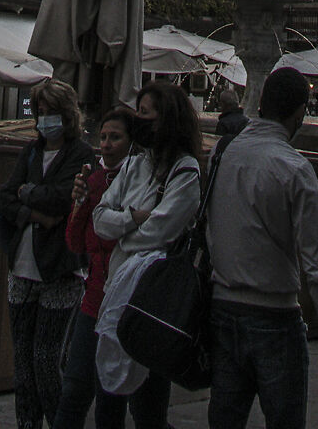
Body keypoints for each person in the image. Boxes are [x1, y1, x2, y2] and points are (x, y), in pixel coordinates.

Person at [207, 66, 318, 429]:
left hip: (221, 311)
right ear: (300, 113)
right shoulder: (295, 169)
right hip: (275, 319)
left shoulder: (222, 154)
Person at [93, 84, 203, 429]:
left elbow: (162, 230)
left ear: (166, 119)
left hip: (153, 303)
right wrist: (131, 219)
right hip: (117, 291)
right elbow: (100, 219)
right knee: (107, 397)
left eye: (144, 113)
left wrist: (122, 230)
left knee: (148, 408)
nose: (137, 120)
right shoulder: (134, 165)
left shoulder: (185, 171)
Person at [0, 79, 97, 429]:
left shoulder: (82, 155)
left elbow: (62, 199)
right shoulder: (30, 152)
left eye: (51, 113)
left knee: (46, 358)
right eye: (40, 112)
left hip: (59, 270)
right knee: (22, 361)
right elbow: (8, 197)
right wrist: (35, 213)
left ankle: (61, 422)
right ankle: (27, 422)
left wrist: (30, 193)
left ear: (66, 115)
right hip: (21, 269)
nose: (44, 119)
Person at [54, 106, 139, 429]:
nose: (106, 144)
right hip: (93, 300)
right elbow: (75, 243)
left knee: (110, 395)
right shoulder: (94, 178)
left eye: (115, 137)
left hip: (123, 302)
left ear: (132, 142)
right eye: (103, 137)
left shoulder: (139, 180)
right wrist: (79, 203)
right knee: (75, 386)